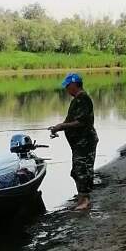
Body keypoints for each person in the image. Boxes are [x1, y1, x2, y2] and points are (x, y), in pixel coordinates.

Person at [49, 73, 98, 211]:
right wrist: (57, 128)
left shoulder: (83, 99)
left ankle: (85, 200)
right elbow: (70, 120)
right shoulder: (76, 100)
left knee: (83, 170)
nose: (66, 89)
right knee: (76, 170)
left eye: (67, 86)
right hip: (78, 143)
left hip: (85, 142)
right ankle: (81, 198)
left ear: (74, 85)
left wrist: (62, 126)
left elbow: (81, 122)